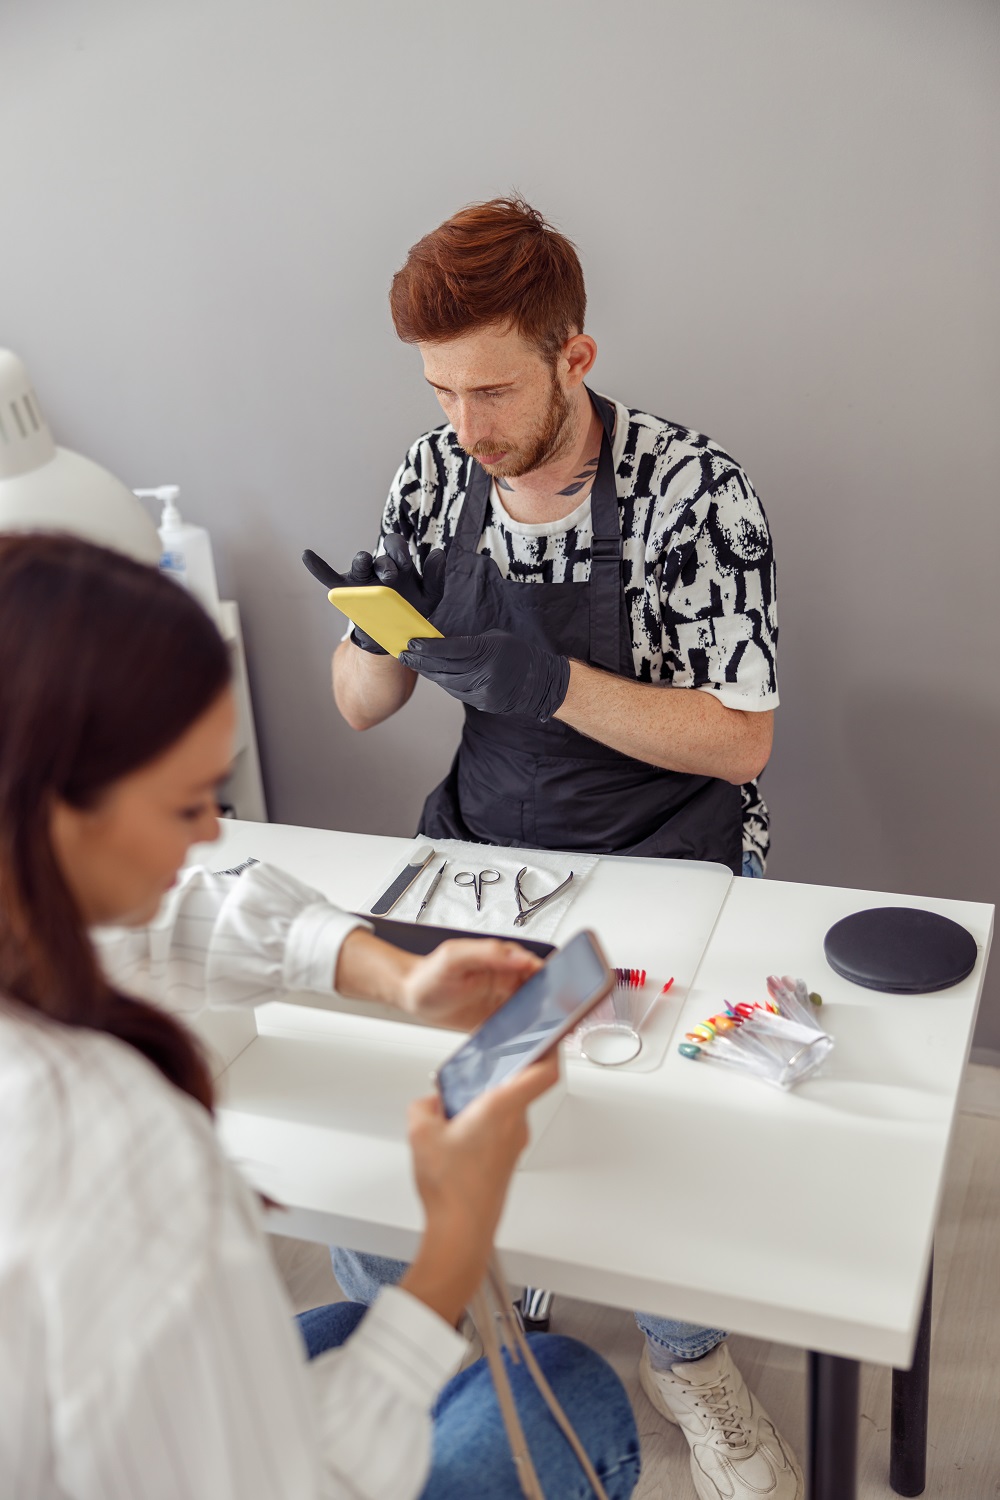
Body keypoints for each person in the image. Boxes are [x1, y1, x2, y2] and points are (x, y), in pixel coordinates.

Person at [308, 199, 799, 1500]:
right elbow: (357, 707)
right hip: (484, 847)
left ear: (572, 357)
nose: (464, 426)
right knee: (409, 1101)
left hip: (665, 855)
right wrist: (383, 629)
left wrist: (554, 683)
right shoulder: (435, 473)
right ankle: (483, 1321)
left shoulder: (695, 494)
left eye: (492, 390)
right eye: (440, 390)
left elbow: (742, 741)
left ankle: (687, 1359)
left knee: (656, 1133)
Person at [0, 533, 641, 1500]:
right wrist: (453, 1243)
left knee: (345, 1325)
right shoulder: (108, 1161)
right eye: (186, 804)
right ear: (52, 813)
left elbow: (163, 922)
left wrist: (392, 976)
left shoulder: (32, 906)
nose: (213, 834)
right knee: (569, 1387)